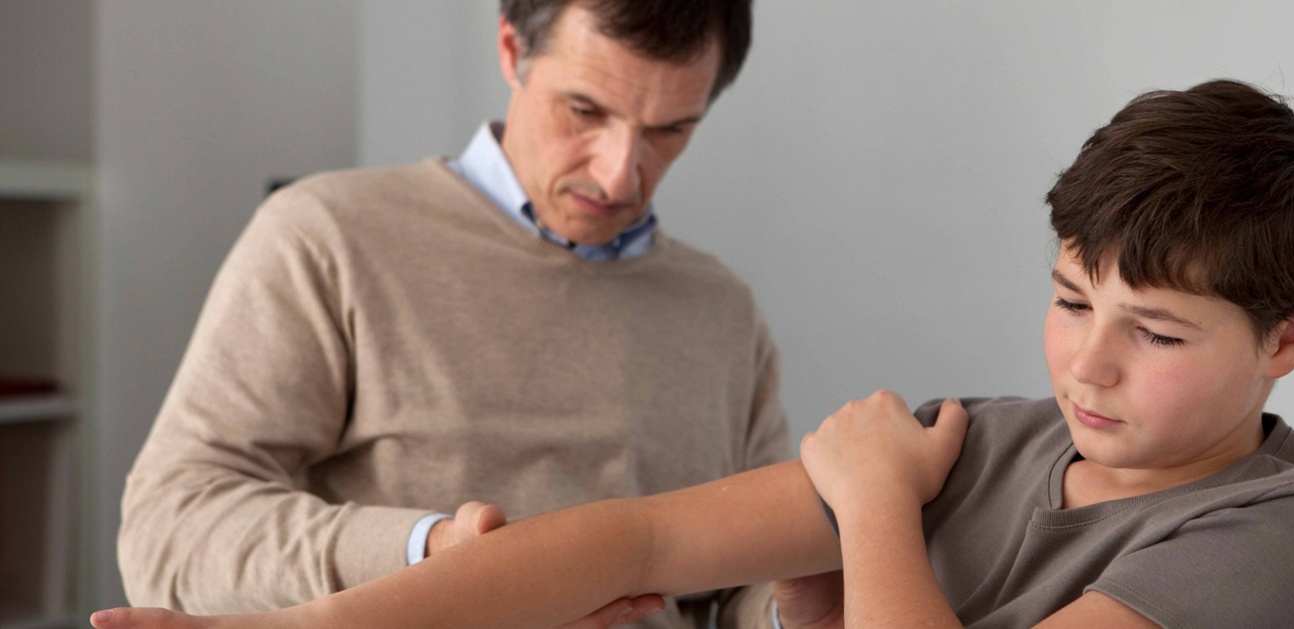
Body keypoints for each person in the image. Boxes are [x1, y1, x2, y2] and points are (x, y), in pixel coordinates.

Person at [97, 78, 1294, 629]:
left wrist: (875, 502)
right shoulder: (980, 438)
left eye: (1154, 332)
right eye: (1068, 300)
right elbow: (636, 538)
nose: (1086, 366)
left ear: (1287, 340)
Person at [116, 1, 791, 627]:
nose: (620, 175)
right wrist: (429, 556)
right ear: (510, 48)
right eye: (584, 110)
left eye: (669, 130)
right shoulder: (326, 237)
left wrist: (804, 605)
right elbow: (169, 529)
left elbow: (749, 587)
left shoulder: (722, 309)